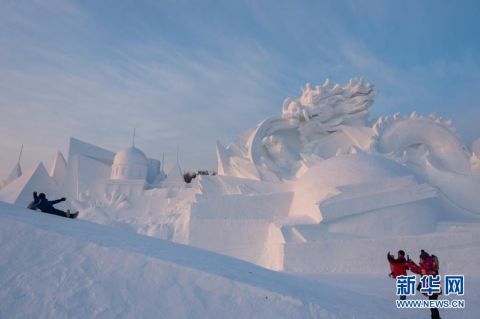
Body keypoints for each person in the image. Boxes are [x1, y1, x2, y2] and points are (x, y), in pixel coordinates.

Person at [407, 250, 441, 319]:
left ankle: (436, 318)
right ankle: (435, 317)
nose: (420, 260)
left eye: (421, 259)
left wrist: (411, 264)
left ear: (424, 259)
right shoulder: (427, 265)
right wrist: (411, 263)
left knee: (433, 305)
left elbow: (420, 270)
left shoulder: (428, 265)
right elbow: (419, 270)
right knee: (432, 305)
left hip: (433, 288)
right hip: (432, 288)